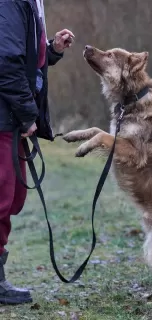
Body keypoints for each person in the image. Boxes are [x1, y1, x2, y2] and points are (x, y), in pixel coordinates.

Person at [0, 0, 74, 304]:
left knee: (13, 197)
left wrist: (51, 49)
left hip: (10, 118)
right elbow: (5, 60)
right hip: (5, 118)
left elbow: (22, 52)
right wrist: (29, 114)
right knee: (2, 199)